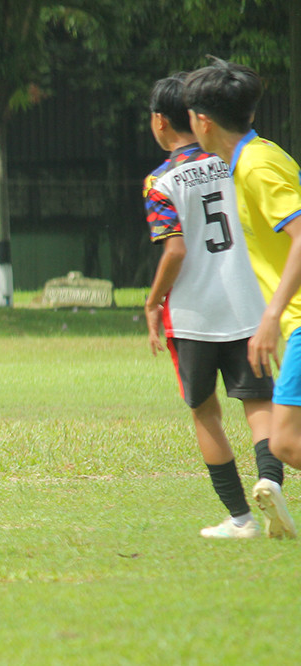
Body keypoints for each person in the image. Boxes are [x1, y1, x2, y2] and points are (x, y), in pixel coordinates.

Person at [142, 73, 290, 539]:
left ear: (161, 122)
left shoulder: (160, 181)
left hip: (193, 316)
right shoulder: (234, 162)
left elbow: (175, 250)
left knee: (205, 412)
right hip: (248, 306)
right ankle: (270, 481)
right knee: (259, 403)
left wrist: (153, 301)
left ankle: (240, 518)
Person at [184, 56, 300, 538]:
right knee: (285, 440)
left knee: (287, 442)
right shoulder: (250, 160)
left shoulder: (256, 165)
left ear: (203, 121)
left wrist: (271, 315)